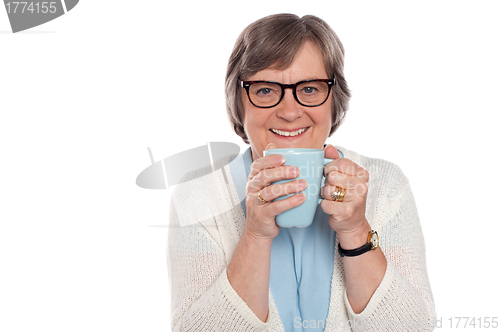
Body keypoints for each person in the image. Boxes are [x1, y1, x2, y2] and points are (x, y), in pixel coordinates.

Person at [167, 13, 436, 331]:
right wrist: (254, 234)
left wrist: (355, 231)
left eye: (309, 88)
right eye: (265, 90)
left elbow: (412, 327)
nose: (290, 111)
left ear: (333, 100)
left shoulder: (385, 185)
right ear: (239, 103)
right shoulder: (199, 195)